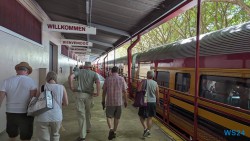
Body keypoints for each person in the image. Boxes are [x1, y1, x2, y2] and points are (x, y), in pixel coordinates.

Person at [0, 62, 37, 141]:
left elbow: (1, 97)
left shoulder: (6, 81)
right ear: (27, 72)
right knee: (26, 136)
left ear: (17, 71)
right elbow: (33, 99)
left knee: (12, 135)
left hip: (10, 112)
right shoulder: (31, 81)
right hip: (25, 112)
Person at [68, 62, 100, 141]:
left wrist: (71, 86)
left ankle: (82, 135)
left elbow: (71, 77)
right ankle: (88, 128)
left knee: (81, 115)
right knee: (88, 112)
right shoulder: (94, 73)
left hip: (80, 95)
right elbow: (98, 82)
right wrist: (98, 92)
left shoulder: (79, 71)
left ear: (84, 66)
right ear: (90, 67)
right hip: (89, 96)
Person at [35, 71, 69, 141]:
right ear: (56, 78)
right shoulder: (61, 87)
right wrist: (59, 103)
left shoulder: (42, 87)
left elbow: (36, 100)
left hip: (42, 116)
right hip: (56, 116)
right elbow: (66, 103)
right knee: (55, 135)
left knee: (43, 138)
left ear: (47, 78)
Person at [102, 66, 128, 140]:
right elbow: (125, 91)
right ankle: (115, 131)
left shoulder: (107, 79)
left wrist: (103, 101)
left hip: (109, 102)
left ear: (111, 71)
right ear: (118, 71)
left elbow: (104, 91)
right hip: (119, 102)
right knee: (117, 117)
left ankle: (111, 129)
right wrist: (126, 101)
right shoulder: (121, 79)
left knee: (109, 116)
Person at [138, 70, 159, 138]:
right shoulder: (155, 83)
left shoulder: (143, 81)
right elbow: (157, 94)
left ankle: (145, 129)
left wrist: (141, 85)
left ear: (147, 75)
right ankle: (148, 131)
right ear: (153, 76)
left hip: (144, 101)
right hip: (153, 102)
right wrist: (158, 102)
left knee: (141, 117)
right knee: (150, 118)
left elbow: (138, 90)